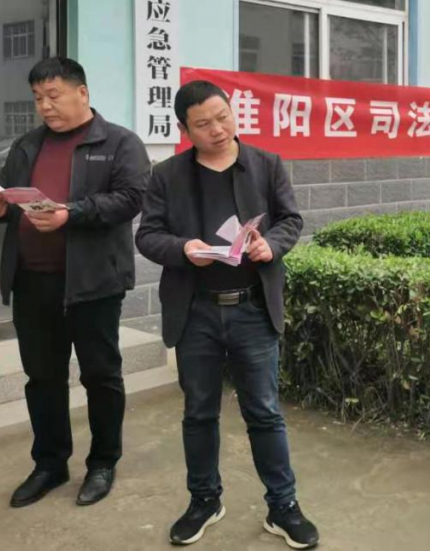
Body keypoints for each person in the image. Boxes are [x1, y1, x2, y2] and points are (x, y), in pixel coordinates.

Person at [135, 80, 318, 549]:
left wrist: (270, 245)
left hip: (252, 308)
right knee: (199, 413)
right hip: (195, 311)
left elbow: (291, 220)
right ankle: (204, 500)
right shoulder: (167, 175)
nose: (217, 129)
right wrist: (183, 249)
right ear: (184, 130)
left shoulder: (266, 164)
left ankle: (283, 505)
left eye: (223, 117)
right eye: (203, 124)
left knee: (264, 412)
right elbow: (147, 235)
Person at [0, 57, 150, 508]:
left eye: (53, 96)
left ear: (82, 93)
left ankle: (103, 462)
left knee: (101, 376)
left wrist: (71, 212)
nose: (45, 106)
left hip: (93, 283)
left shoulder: (119, 142)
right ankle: (50, 464)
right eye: (38, 98)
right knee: (42, 378)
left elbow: (131, 198)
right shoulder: (27, 145)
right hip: (33, 282)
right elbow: (11, 198)